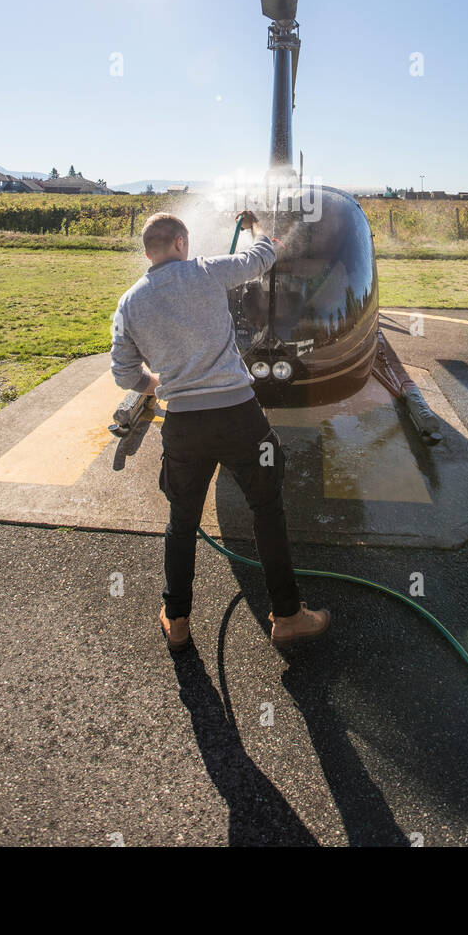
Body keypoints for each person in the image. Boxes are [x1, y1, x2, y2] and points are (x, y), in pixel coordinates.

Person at [110, 209, 330, 652]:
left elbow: (123, 371)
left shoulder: (130, 302)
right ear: (179, 243)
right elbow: (263, 255)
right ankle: (287, 616)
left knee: (181, 522)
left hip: (183, 425)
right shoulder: (208, 271)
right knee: (266, 509)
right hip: (238, 416)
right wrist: (253, 226)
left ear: (147, 251)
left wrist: (157, 384)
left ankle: (177, 621)